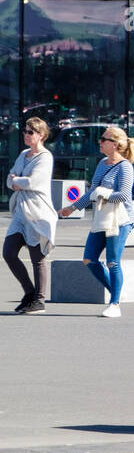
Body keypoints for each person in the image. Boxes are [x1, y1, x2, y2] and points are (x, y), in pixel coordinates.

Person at [59, 125, 134, 317]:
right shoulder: (102, 163)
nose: (100, 142)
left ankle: (115, 304)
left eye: (104, 139)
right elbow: (91, 192)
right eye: (101, 139)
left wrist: (103, 193)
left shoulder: (125, 167)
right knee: (89, 259)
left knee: (113, 262)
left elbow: (124, 196)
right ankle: (116, 293)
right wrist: (73, 207)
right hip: (102, 218)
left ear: (116, 144)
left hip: (120, 220)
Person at [4, 117, 57, 315]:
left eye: (30, 132)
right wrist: (16, 181)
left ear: (41, 135)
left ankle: (39, 300)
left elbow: (33, 182)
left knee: (37, 258)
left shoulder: (45, 157)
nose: (26, 135)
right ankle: (29, 292)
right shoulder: (23, 154)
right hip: (20, 213)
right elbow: (10, 180)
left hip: (37, 213)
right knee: (9, 253)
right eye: (25, 131)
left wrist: (17, 181)